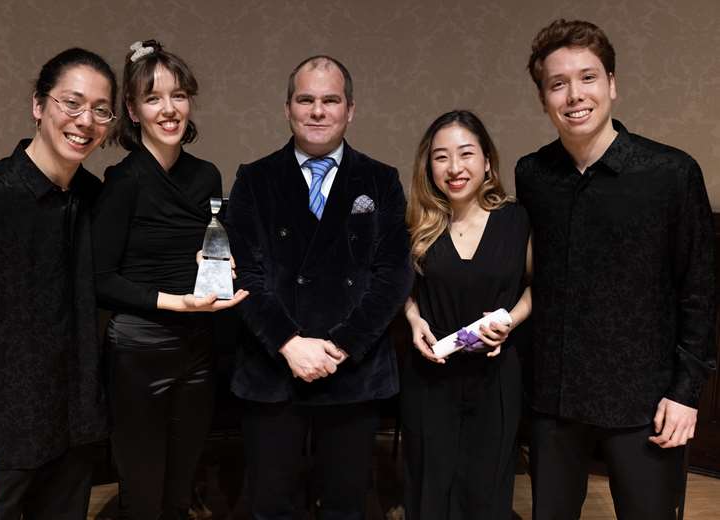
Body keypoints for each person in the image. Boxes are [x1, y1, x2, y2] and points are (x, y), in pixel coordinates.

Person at [516, 19, 716, 519]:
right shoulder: (533, 174)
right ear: (543, 98)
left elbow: (700, 289)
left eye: (588, 78)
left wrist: (686, 393)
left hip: (644, 401)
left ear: (612, 84)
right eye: (557, 84)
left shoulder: (671, 173)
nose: (574, 95)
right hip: (554, 398)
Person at [225, 55, 413, 519]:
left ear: (350, 110)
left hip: (352, 370)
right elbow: (244, 274)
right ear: (287, 108)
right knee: (271, 504)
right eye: (305, 99)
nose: (317, 110)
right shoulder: (255, 178)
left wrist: (341, 347)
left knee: (346, 505)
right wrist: (290, 343)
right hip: (273, 368)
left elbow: (393, 276)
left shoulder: (380, 180)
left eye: (330, 100)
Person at [0, 48, 117, 519]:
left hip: (74, 436)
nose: (86, 121)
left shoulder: (93, 200)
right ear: (38, 106)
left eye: (101, 110)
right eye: (71, 103)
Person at [91, 40, 247, 520]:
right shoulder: (123, 181)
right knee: (142, 493)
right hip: (138, 353)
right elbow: (101, 280)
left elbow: (202, 256)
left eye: (178, 95)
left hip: (197, 349)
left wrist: (218, 265)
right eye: (153, 98)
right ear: (133, 112)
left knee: (182, 487)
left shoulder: (206, 176)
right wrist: (174, 302)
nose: (169, 108)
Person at [400, 110, 532, 519]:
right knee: (430, 483)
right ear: (428, 165)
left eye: (465, 153)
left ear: (487, 160)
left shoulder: (517, 219)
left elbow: (537, 288)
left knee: (487, 488)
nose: (454, 168)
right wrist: (413, 319)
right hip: (430, 374)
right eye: (441, 157)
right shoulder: (417, 221)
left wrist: (508, 321)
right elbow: (403, 291)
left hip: (496, 376)